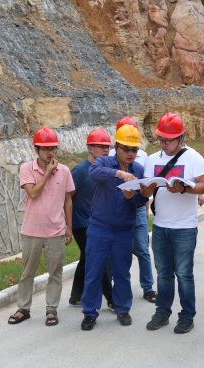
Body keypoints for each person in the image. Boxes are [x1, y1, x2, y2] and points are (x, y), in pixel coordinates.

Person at [144, 112, 204, 334]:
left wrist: (184, 188)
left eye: (168, 140)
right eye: (160, 139)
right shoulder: (152, 159)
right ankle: (162, 313)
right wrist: (144, 187)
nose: (163, 144)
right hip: (160, 226)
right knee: (163, 274)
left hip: (185, 227)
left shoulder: (194, 158)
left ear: (181, 138)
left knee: (184, 274)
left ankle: (187, 316)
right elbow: (146, 191)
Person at [80, 124, 150, 331]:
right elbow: (94, 172)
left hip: (123, 229)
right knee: (93, 271)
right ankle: (89, 312)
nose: (130, 154)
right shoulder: (104, 162)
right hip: (100, 227)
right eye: (126, 149)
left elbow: (139, 202)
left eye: (134, 150)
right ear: (117, 147)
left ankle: (122, 309)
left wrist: (133, 197)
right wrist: (120, 174)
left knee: (122, 272)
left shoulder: (138, 170)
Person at [8, 127, 74, 327]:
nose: (50, 153)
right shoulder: (27, 168)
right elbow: (33, 193)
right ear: (37, 149)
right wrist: (47, 174)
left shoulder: (64, 171)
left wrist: (69, 227)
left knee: (55, 272)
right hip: (31, 230)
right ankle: (23, 308)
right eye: (45, 149)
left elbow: (68, 200)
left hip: (56, 231)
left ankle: (51, 309)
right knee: (27, 272)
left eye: (53, 148)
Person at [109, 116, 157, 303]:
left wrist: (145, 206)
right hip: (117, 208)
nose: (130, 152)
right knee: (115, 250)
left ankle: (148, 287)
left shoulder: (142, 156)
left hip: (137, 207)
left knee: (142, 249)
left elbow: (145, 183)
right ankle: (112, 287)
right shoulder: (109, 158)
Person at [69, 129, 114, 309]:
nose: (105, 150)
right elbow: (67, 197)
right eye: (101, 146)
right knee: (97, 258)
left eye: (107, 147)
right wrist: (67, 224)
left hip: (99, 223)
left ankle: (75, 296)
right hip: (81, 224)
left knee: (87, 258)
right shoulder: (80, 171)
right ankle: (111, 298)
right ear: (90, 148)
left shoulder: (106, 170)